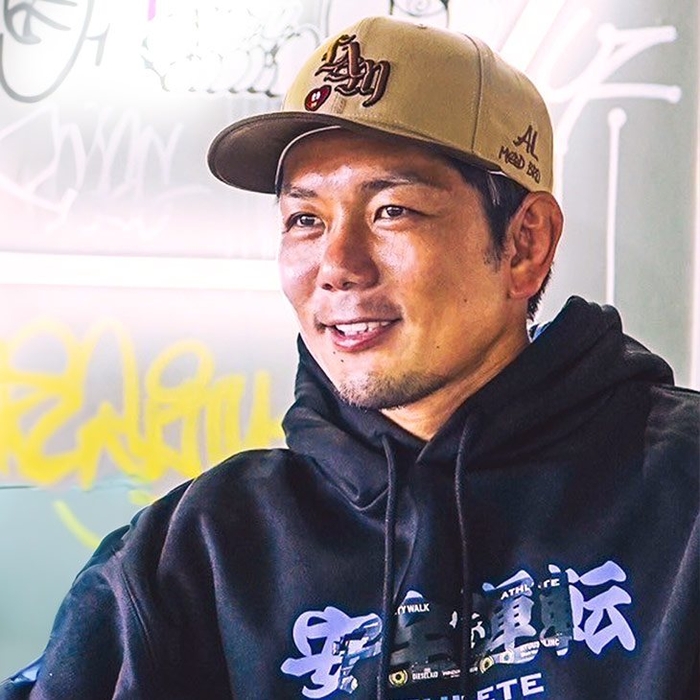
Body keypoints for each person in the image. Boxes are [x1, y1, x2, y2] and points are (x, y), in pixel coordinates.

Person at [1, 15, 698, 700]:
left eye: (392, 210)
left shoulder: (681, 497)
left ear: (525, 244)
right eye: (306, 220)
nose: (337, 266)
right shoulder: (193, 558)